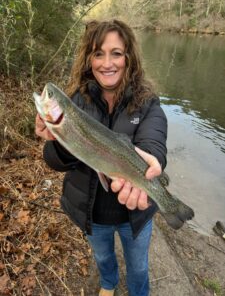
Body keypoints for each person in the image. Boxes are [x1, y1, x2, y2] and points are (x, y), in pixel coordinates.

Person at [35, 19, 167, 296]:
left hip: (137, 211)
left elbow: (153, 139)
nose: (107, 63)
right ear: (88, 58)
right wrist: (56, 140)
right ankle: (108, 284)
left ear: (128, 57)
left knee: (139, 268)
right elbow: (54, 161)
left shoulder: (147, 103)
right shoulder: (75, 101)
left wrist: (153, 159)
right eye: (98, 53)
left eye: (116, 53)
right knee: (104, 258)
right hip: (91, 211)